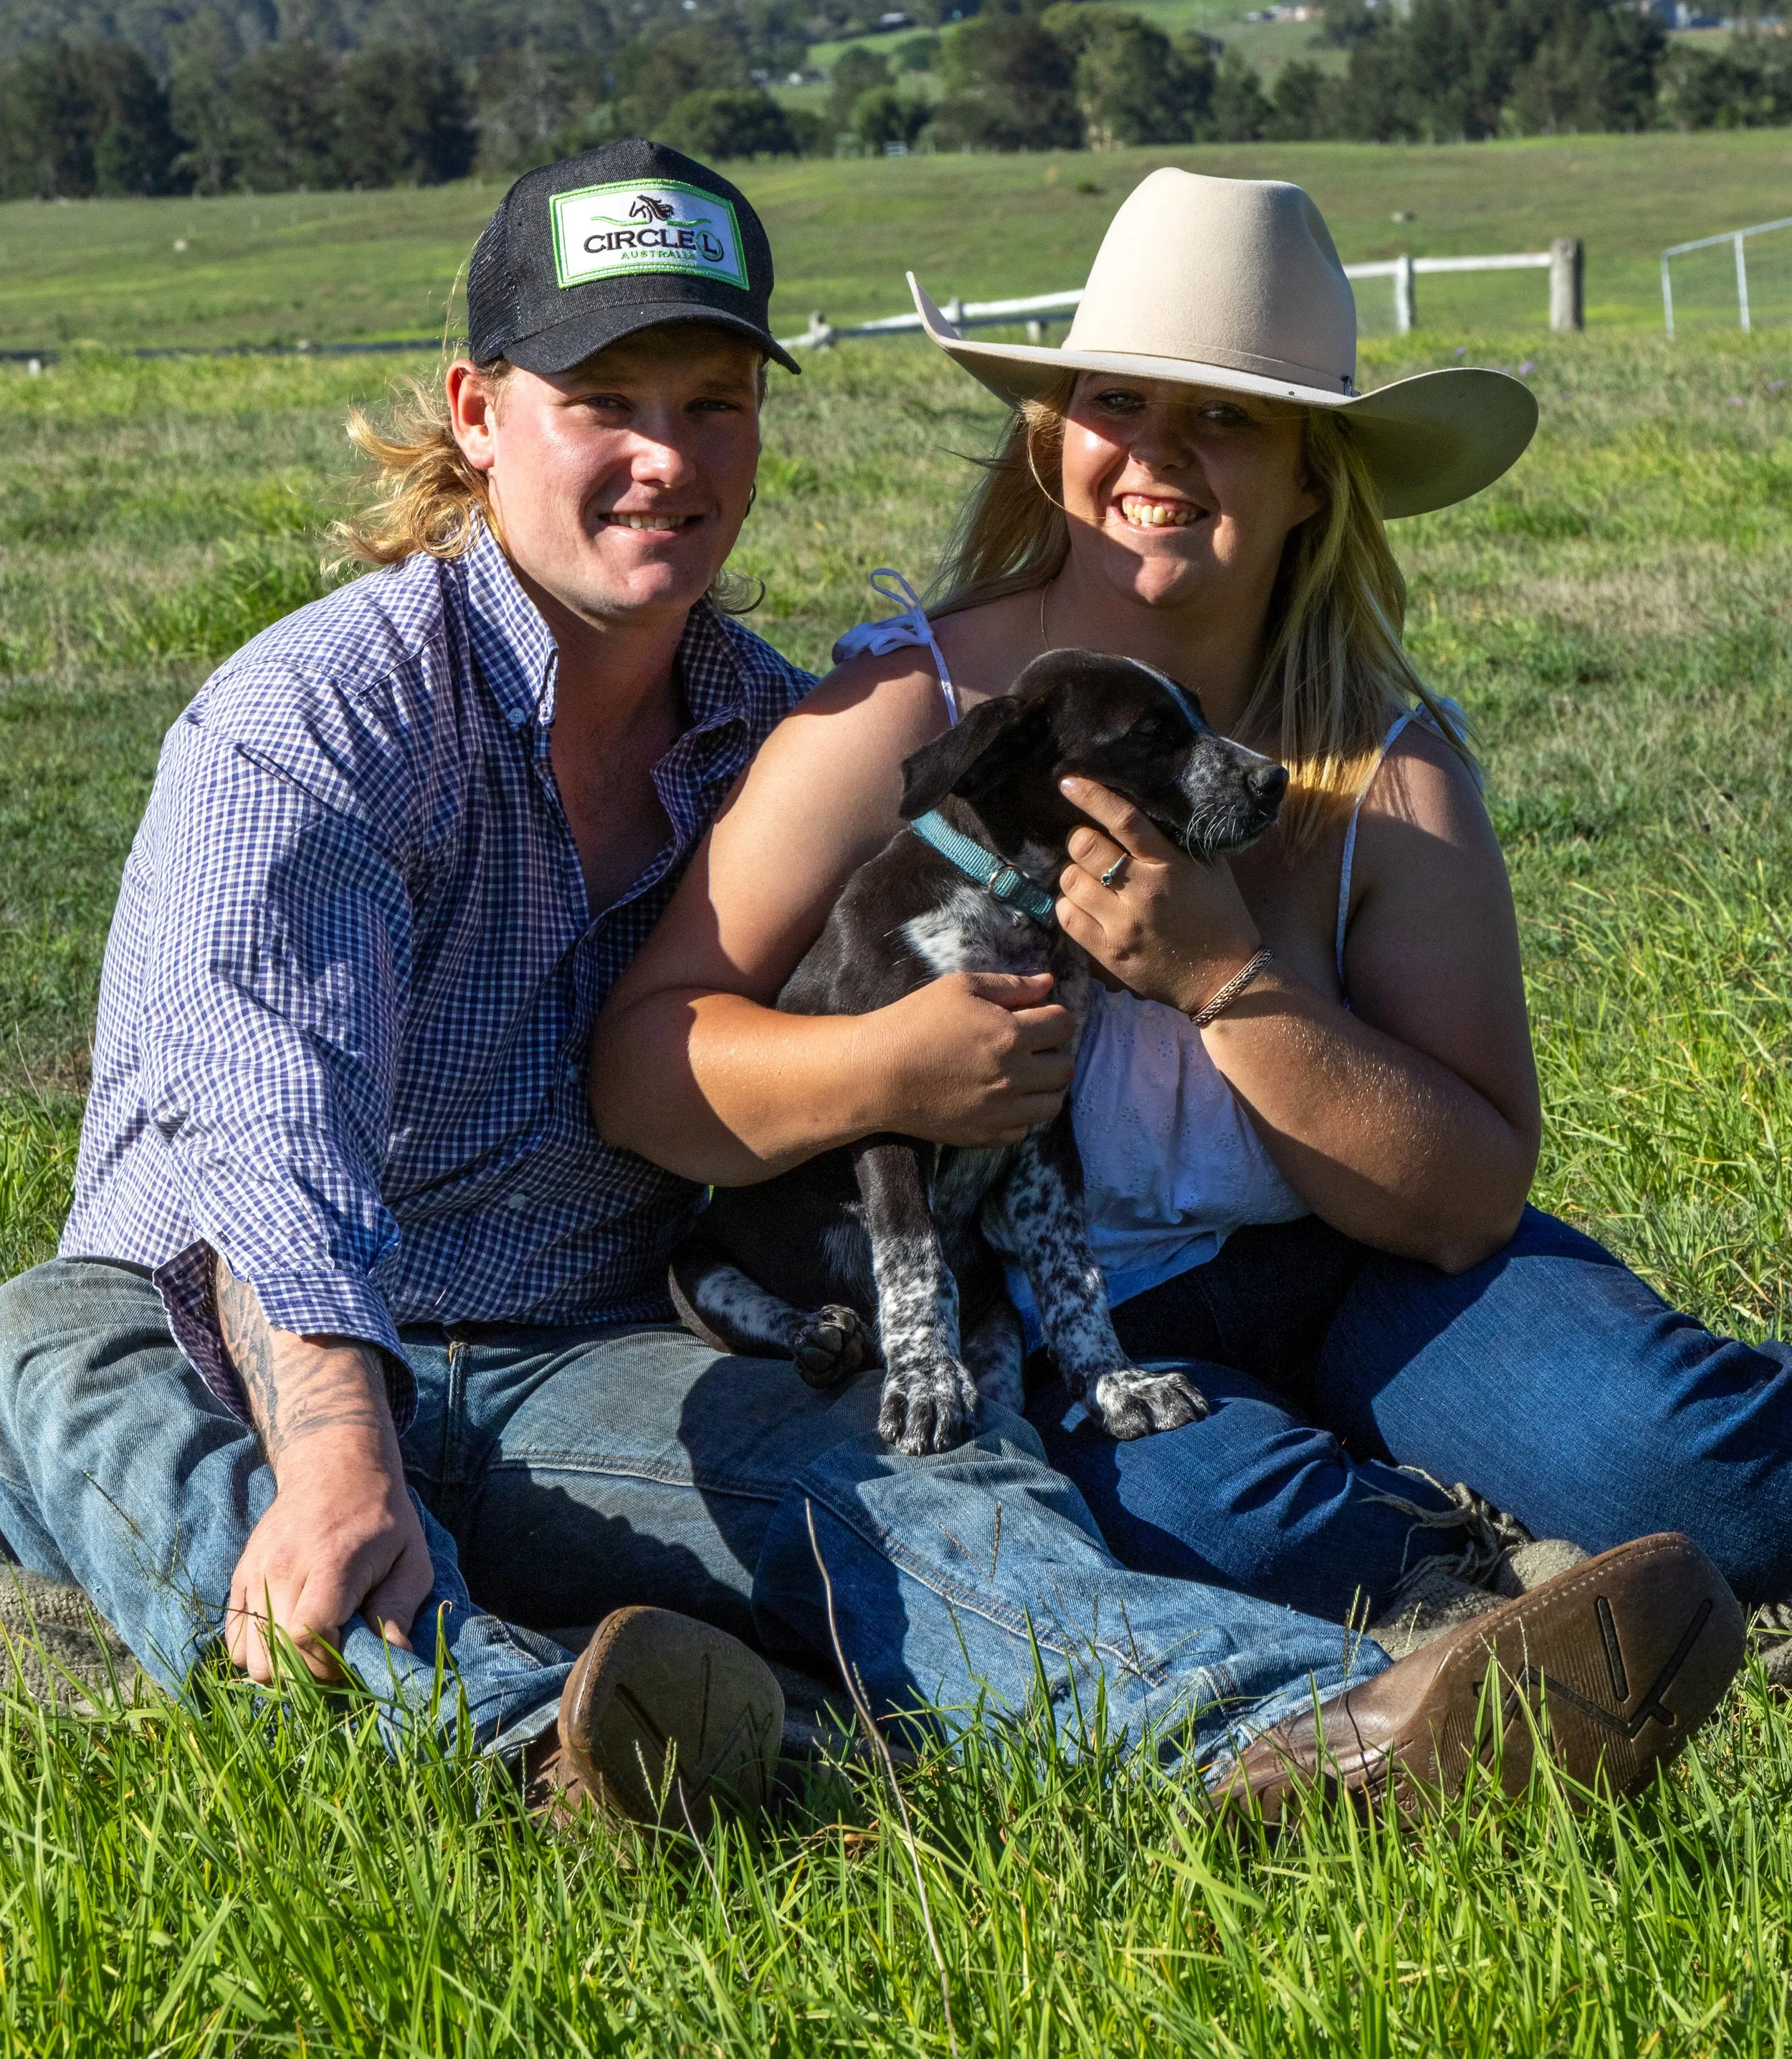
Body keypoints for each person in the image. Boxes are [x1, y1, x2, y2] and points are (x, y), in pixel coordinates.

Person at [0, 145, 1743, 1830]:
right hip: (226, 1325)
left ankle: (1311, 1735)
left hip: (582, 1342)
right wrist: (334, 1436)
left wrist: (1209, 985)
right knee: (70, 1379)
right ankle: (537, 1760)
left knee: (938, 1489)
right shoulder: (318, 721)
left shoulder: (758, 723)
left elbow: (1464, 1172)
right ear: (476, 412)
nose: (663, 460)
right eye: (604, 401)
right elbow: (265, 1123)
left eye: (711, 404)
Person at [596, 166, 1792, 1661]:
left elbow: (1470, 1197)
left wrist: (1230, 978)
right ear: (1052, 441)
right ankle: (1476, 1566)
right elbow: (647, 1067)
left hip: (1370, 1273)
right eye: (1117, 405)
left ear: (1310, 476)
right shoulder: (911, 713)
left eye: (1225, 417)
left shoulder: (1381, 765)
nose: (1156, 457)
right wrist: (882, 1071)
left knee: (1709, 1482)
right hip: (1080, 1320)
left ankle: (1538, 1520)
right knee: (1227, 1534)